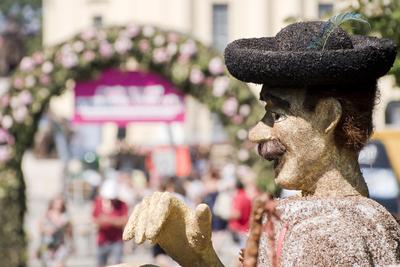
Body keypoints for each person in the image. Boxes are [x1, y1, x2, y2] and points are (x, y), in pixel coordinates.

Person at [121, 18, 400, 266]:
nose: (256, 133)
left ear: (328, 116)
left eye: (277, 114)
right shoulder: (348, 220)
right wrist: (199, 259)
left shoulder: (324, 234)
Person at [93, 178, 128, 267]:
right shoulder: (98, 203)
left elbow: (124, 221)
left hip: (117, 240)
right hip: (102, 240)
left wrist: (108, 220)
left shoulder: (122, 204)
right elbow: (95, 220)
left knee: (118, 264)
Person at [38, 195, 72, 267]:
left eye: (60, 203)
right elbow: (40, 227)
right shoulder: (46, 214)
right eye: (57, 203)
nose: (58, 205)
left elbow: (68, 228)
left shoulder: (64, 216)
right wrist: (47, 230)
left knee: (59, 264)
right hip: (48, 245)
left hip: (60, 245)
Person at [228, 180, 251, 247]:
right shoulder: (247, 197)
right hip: (245, 228)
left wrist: (226, 215)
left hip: (239, 230)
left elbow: (237, 214)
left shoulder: (239, 197)